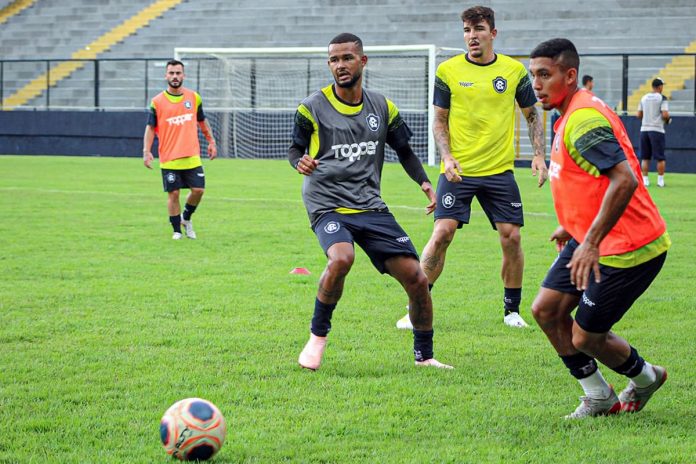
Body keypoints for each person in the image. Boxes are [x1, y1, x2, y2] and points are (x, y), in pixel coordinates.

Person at [289, 33, 452, 371]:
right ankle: (317, 338)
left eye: (347, 58)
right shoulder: (311, 107)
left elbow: (404, 151)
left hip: (370, 206)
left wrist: (424, 183)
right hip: (327, 202)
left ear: (362, 61)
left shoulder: (382, 107)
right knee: (341, 258)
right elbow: (295, 149)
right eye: (334, 60)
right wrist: (299, 161)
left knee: (417, 279)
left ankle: (425, 356)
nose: (340, 65)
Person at [529, 38, 671, 418]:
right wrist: (572, 224)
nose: (537, 84)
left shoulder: (583, 119)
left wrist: (589, 241)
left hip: (628, 248)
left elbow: (623, 180)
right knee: (545, 310)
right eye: (533, 75)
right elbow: (592, 179)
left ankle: (645, 378)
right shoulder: (566, 114)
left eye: (545, 74)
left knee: (586, 336)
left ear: (570, 74)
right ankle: (599, 396)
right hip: (591, 237)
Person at [395, 5, 548, 331]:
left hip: (498, 171)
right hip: (458, 169)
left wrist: (539, 155)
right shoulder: (448, 71)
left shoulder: (513, 71)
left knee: (512, 238)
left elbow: (532, 114)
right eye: (466, 30)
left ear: (492, 33)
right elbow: (439, 120)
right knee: (442, 233)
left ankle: (511, 311)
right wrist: (447, 156)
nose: (471, 36)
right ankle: (415, 308)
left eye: (478, 29)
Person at [143, 59, 217, 240]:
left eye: (178, 73)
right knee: (174, 193)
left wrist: (211, 141)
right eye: (171, 73)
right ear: (166, 75)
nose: (175, 76)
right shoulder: (157, 102)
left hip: (192, 155)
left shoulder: (194, 97)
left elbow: (202, 121)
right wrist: (146, 150)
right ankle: (177, 231)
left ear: (183, 75)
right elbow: (151, 128)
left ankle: (186, 218)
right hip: (169, 157)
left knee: (198, 190)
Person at [637, 77, 670, 187]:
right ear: (660, 87)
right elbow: (665, 114)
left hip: (644, 129)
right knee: (660, 157)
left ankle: (645, 180)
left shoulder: (644, 97)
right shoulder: (662, 98)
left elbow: (639, 115)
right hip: (657, 130)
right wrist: (668, 120)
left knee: (645, 157)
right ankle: (660, 181)